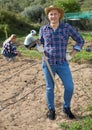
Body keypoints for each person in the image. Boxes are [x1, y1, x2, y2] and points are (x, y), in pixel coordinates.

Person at [37, 5, 85, 120]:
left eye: (55, 14)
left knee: (69, 87)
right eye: (51, 14)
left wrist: (72, 54)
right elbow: (40, 43)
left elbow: (80, 40)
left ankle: (66, 107)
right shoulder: (43, 29)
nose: (53, 16)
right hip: (48, 63)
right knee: (50, 88)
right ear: (48, 16)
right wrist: (39, 48)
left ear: (59, 15)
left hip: (63, 63)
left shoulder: (66, 27)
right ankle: (51, 109)